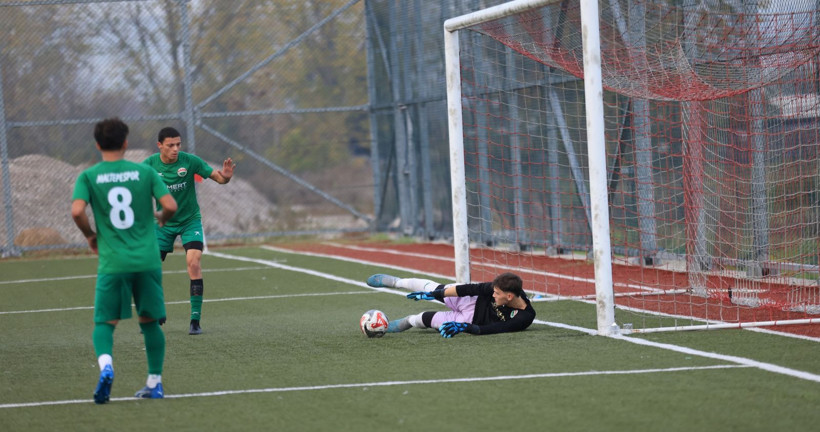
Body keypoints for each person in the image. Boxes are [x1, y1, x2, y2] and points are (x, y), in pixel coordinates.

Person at [71, 118, 177, 403]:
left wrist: (91, 235)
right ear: (126, 143)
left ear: (97, 144)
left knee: (105, 323)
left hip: (113, 263)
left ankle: (107, 366)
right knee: (150, 322)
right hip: (147, 259)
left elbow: (77, 211)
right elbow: (169, 205)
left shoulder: (89, 176)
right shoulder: (145, 172)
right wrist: (162, 219)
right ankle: (154, 383)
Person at [143, 127, 235, 335]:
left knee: (193, 263)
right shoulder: (149, 165)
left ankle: (195, 321)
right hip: (164, 223)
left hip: (190, 221)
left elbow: (218, 178)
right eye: (170, 145)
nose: (175, 149)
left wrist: (226, 177)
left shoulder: (190, 161)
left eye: (178, 144)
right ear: (160, 146)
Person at [366, 272, 536, 337]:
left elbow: (495, 329)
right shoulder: (500, 287)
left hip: (468, 320)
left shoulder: (525, 317)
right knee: (432, 287)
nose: (493, 294)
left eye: (497, 294)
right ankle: (397, 282)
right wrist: (436, 294)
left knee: (421, 319)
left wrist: (464, 327)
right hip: (470, 300)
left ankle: (401, 323)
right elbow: (471, 288)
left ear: (509, 296)